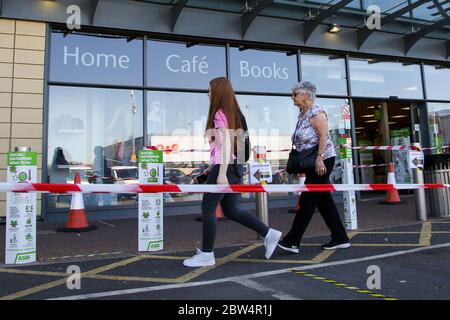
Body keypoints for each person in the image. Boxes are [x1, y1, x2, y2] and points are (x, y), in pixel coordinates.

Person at [183, 77, 282, 267]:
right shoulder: (236, 113)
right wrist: (214, 166)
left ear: (218, 91)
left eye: (209, 90)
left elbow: (227, 143)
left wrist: (220, 173)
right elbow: (237, 147)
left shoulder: (220, 113)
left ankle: (206, 254)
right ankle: (269, 234)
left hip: (226, 167)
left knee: (208, 208)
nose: (208, 93)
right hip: (234, 167)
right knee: (230, 209)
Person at [278, 81, 350, 254]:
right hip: (312, 162)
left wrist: (320, 158)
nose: (292, 98)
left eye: (295, 94)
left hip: (322, 160)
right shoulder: (302, 114)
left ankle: (292, 241)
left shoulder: (316, 111)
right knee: (324, 201)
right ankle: (340, 238)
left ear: (306, 95)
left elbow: (323, 136)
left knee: (307, 201)